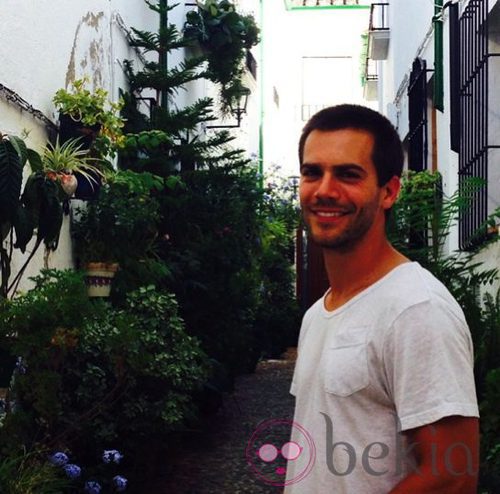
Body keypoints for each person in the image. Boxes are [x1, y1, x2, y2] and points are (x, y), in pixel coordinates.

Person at [285, 104, 479, 493]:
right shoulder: (317, 314)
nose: (324, 190)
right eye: (312, 172)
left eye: (348, 174)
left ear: (388, 191)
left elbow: (452, 476)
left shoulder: (415, 309)